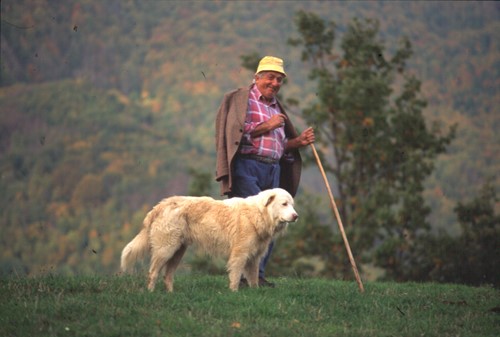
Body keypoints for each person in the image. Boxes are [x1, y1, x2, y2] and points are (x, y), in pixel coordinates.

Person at [215, 56, 315, 287]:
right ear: (257, 77)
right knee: (252, 220)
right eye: (270, 77)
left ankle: (255, 276)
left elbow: (280, 143)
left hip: (273, 169)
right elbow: (235, 135)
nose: (275, 83)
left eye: (279, 79)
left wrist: (297, 141)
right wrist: (267, 126)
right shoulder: (242, 100)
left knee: (274, 221)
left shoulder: (276, 107)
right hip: (246, 166)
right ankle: (240, 276)